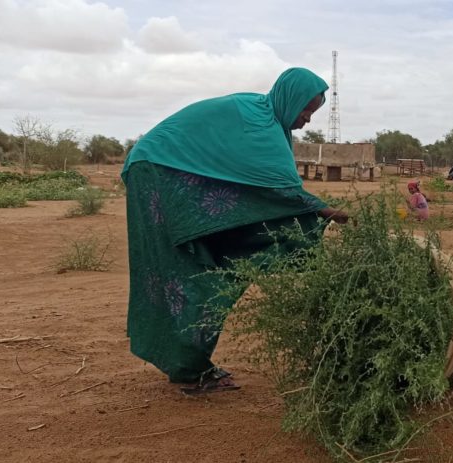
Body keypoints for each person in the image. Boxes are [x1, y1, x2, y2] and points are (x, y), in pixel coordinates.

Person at [121, 67, 348, 395]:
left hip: (178, 173)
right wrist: (333, 213)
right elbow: (288, 195)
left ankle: (191, 364)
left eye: (313, 111)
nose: (308, 119)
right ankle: (189, 368)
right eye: (306, 109)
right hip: (159, 173)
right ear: (289, 99)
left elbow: (273, 189)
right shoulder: (261, 127)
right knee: (188, 270)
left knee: (215, 263)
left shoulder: (263, 113)